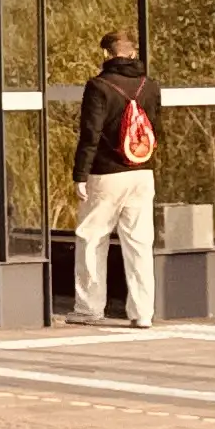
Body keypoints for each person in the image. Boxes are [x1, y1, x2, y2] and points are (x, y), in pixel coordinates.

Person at [69, 29, 164, 326]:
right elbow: (156, 128)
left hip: (106, 174)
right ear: (133, 52)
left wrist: (80, 174)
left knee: (92, 238)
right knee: (139, 243)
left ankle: (89, 308)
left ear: (106, 55)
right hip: (141, 172)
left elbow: (90, 133)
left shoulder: (98, 86)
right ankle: (143, 313)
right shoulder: (150, 85)